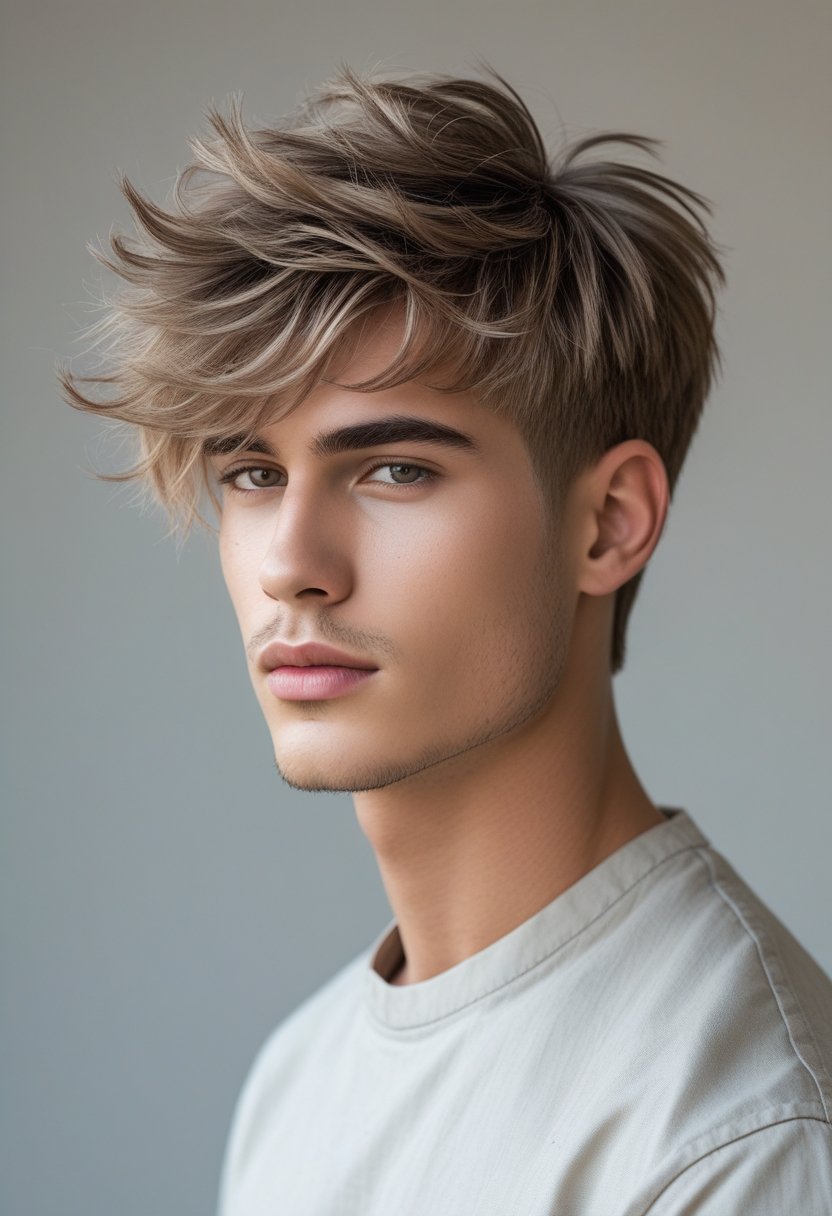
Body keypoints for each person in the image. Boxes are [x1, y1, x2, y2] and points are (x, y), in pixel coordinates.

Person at [58, 64, 832, 1214]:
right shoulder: (298, 1078)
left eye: (394, 468)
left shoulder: (735, 1138)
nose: (291, 563)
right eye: (255, 473)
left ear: (608, 522)